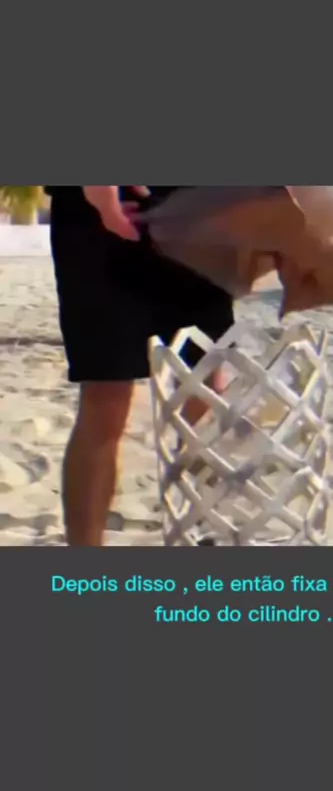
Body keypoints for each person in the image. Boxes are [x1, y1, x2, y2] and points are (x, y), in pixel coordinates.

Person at [46, 186, 234, 546]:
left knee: (204, 394)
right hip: (99, 222)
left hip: (196, 214)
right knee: (106, 399)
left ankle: (195, 529)